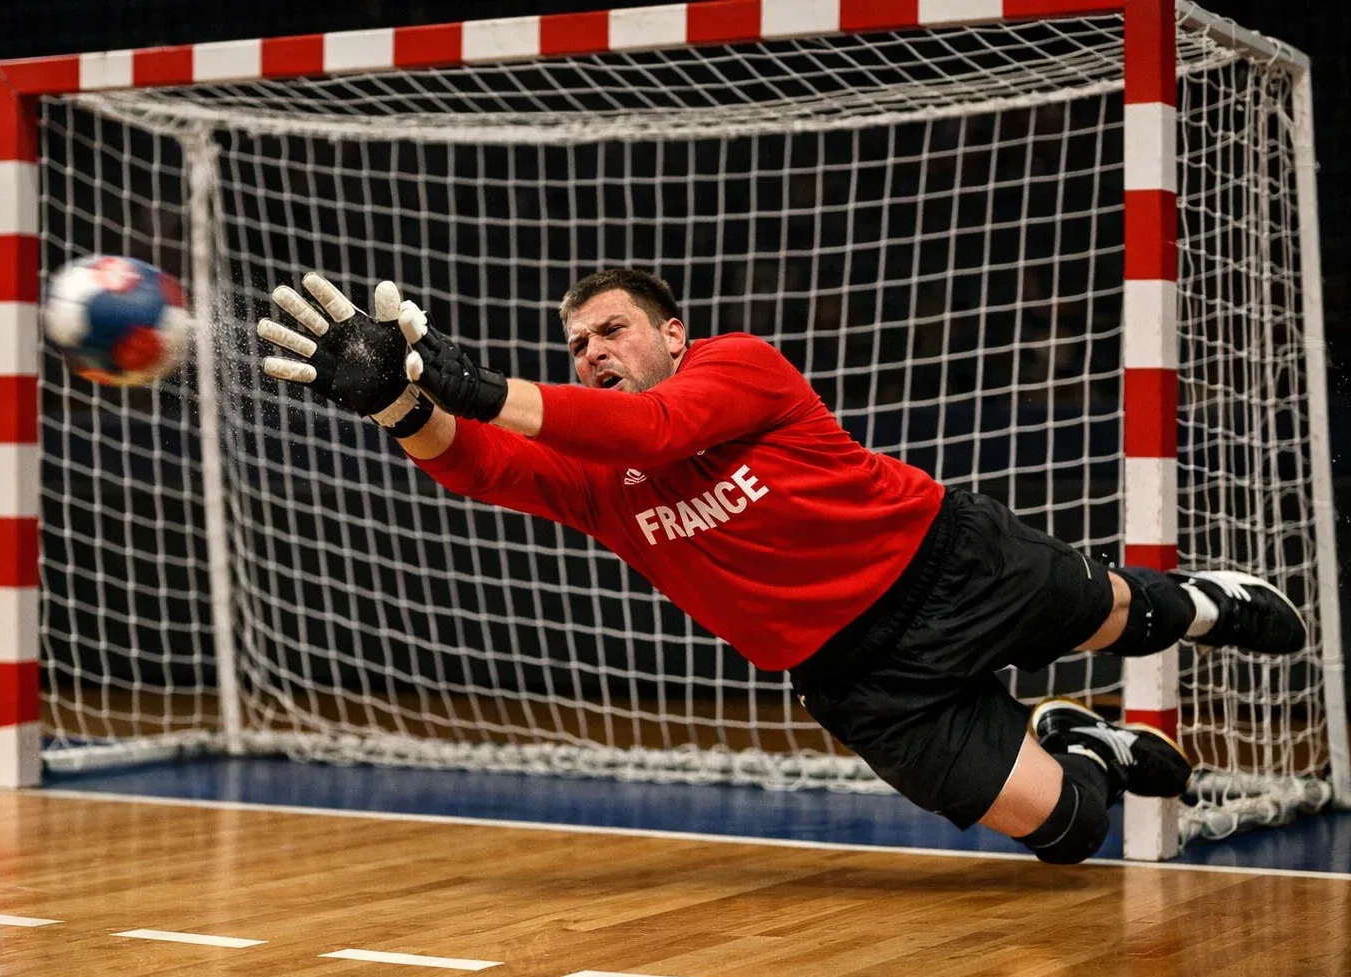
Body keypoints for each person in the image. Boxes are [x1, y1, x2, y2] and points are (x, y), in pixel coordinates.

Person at [255, 269, 1307, 866]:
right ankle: (1066, 732)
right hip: (855, 676)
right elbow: (483, 465)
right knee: (1072, 833)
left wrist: (471, 381)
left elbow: (658, 426)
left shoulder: (737, 368)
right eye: (576, 344)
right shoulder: (595, 477)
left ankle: (1203, 599)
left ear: (671, 332)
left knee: (1127, 619)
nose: (592, 352)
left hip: (943, 561)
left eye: (610, 331)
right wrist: (400, 404)